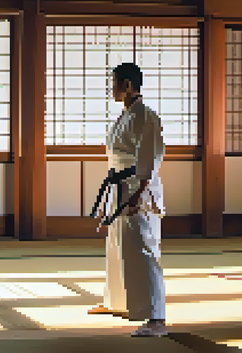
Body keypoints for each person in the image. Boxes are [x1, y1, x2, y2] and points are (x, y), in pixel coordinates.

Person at [87, 62, 168, 337]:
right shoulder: (127, 115)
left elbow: (150, 158)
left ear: (128, 85)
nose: (112, 88)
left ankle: (157, 318)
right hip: (120, 187)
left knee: (143, 249)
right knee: (117, 246)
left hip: (137, 188)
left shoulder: (145, 116)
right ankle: (118, 303)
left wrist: (139, 192)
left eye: (114, 83)